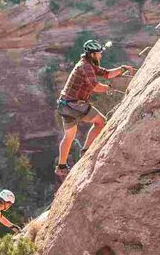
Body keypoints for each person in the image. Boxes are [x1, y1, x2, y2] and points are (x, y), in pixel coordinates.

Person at [55, 40, 135, 181]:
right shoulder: (86, 67)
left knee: (69, 137)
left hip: (65, 105)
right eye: (98, 54)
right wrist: (109, 88)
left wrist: (122, 69)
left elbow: (106, 73)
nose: (100, 56)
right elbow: (95, 87)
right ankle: (86, 151)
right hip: (75, 105)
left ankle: (61, 167)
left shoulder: (88, 64)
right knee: (100, 121)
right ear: (92, 54)